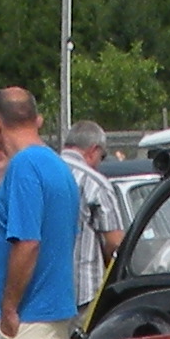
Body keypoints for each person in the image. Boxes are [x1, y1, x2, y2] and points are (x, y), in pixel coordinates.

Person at [0, 88, 88, 339]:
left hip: (29, 322)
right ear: (37, 120)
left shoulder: (24, 167)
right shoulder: (57, 165)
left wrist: (9, 309)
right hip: (54, 314)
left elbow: (27, 241)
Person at [65, 120, 127, 307]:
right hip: (84, 291)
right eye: (102, 155)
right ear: (93, 150)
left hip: (45, 294)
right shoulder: (95, 183)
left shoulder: (42, 173)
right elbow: (115, 242)